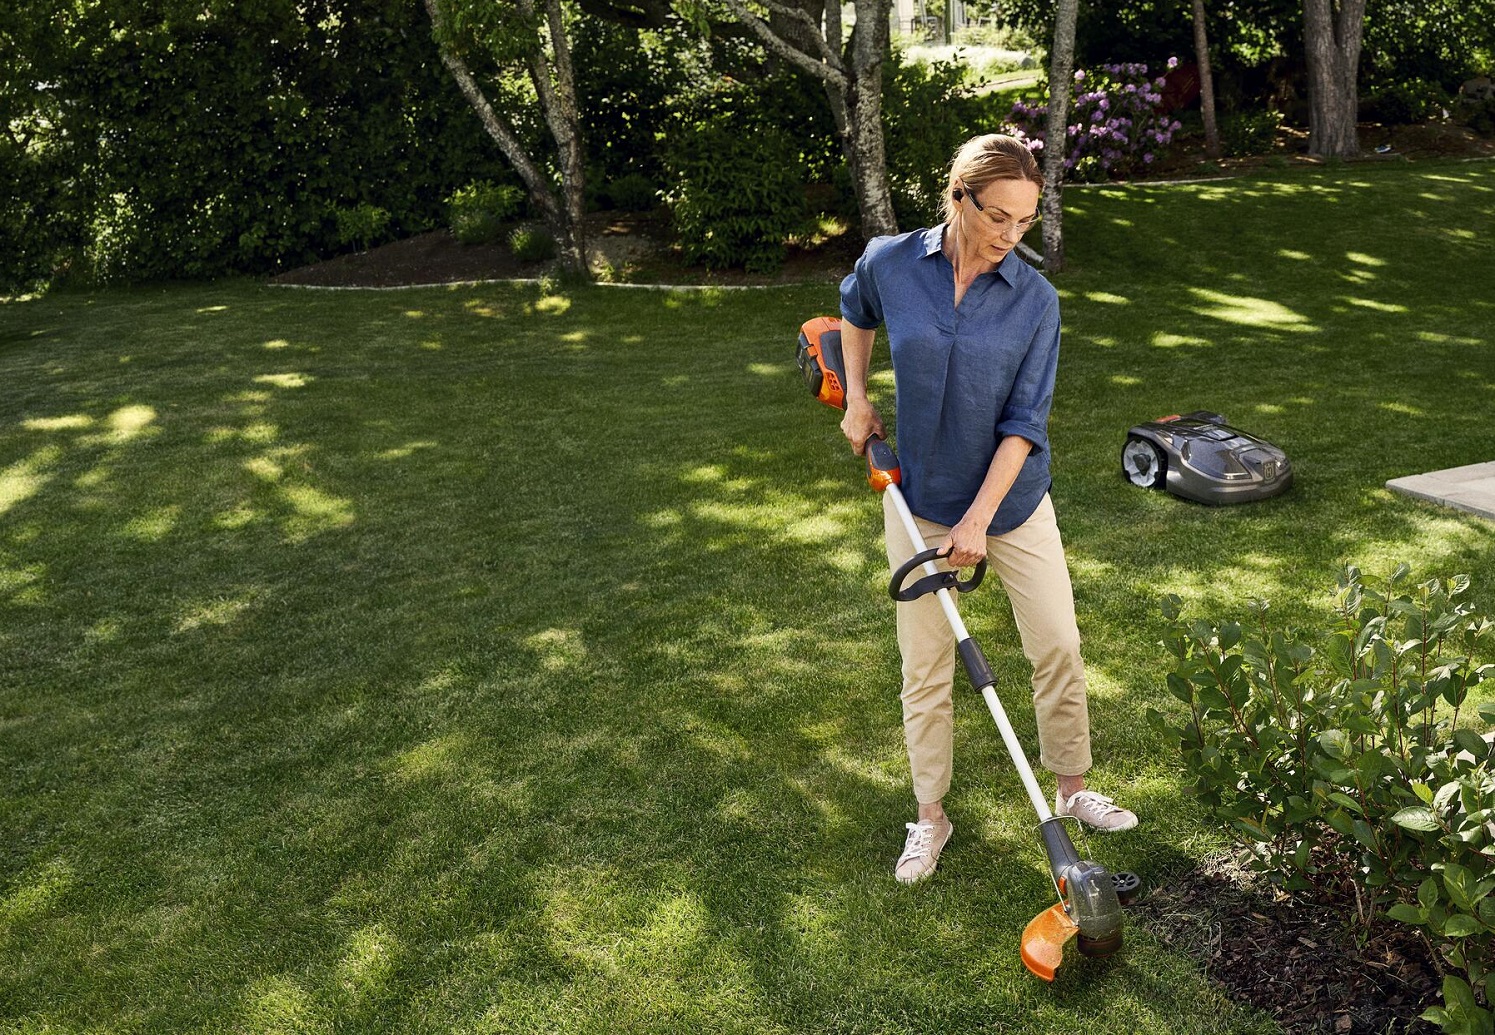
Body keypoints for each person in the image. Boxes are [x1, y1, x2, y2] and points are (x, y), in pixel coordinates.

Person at [837, 133, 1138, 885]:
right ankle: (930, 815)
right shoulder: (891, 262)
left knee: (1057, 643)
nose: (1009, 236)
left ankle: (1070, 787)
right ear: (958, 196)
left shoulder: (1034, 300)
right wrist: (857, 394)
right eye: (997, 216)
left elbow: (1023, 425)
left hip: (1011, 500)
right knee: (926, 669)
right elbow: (853, 310)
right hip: (922, 501)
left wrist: (978, 520)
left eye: (1024, 222)